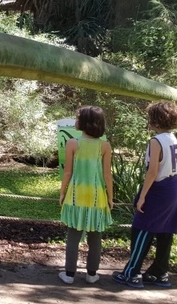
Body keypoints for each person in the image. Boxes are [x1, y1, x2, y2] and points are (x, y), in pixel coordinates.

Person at [113, 101, 177, 288]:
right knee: (165, 231)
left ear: (156, 120)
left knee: (142, 227)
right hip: (173, 187)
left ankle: (132, 273)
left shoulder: (156, 141)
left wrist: (142, 195)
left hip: (158, 189)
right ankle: (159, 273)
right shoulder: (172, 137)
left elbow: (152, 172)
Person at [58, 105, 114, 284]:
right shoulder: (104, 146)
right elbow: (107, 175)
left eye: (78, 118)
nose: (75, 120)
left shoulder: (72, 143)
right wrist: (110, 197)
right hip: (98, 197)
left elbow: (67, 172)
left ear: (84, 122)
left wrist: (62, 192)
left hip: (76, 195)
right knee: (95, 237)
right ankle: (92, 274)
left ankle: (69, 274)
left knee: (73, 236)